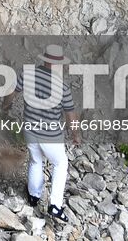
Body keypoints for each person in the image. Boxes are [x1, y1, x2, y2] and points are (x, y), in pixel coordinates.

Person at [16, 44, 80, 223]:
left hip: (29, 129)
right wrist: (75, 135)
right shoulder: (62, 87)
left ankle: (34, 197)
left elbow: (12, 93)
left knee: (36, 160)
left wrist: (5, 108)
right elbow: (70, 115)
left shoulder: (27, 75)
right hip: (50, 135)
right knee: (60, 164)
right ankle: (55, 206)